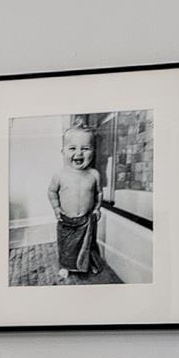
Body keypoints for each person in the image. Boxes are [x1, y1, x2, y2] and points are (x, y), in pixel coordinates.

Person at [48, 121, 105, 283]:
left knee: (89, 244)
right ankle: (66, 265)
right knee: (66, 246)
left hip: (87, 220)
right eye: (72, 148)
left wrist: (97, 208)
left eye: (85, 148)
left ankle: (89, 263)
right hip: (66, 220)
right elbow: (51, 192)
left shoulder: (94, 174)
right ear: (63, 151)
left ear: (93, 151)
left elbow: (99, 193)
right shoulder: (60, 174)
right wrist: (56, 208)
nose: (79, 153)